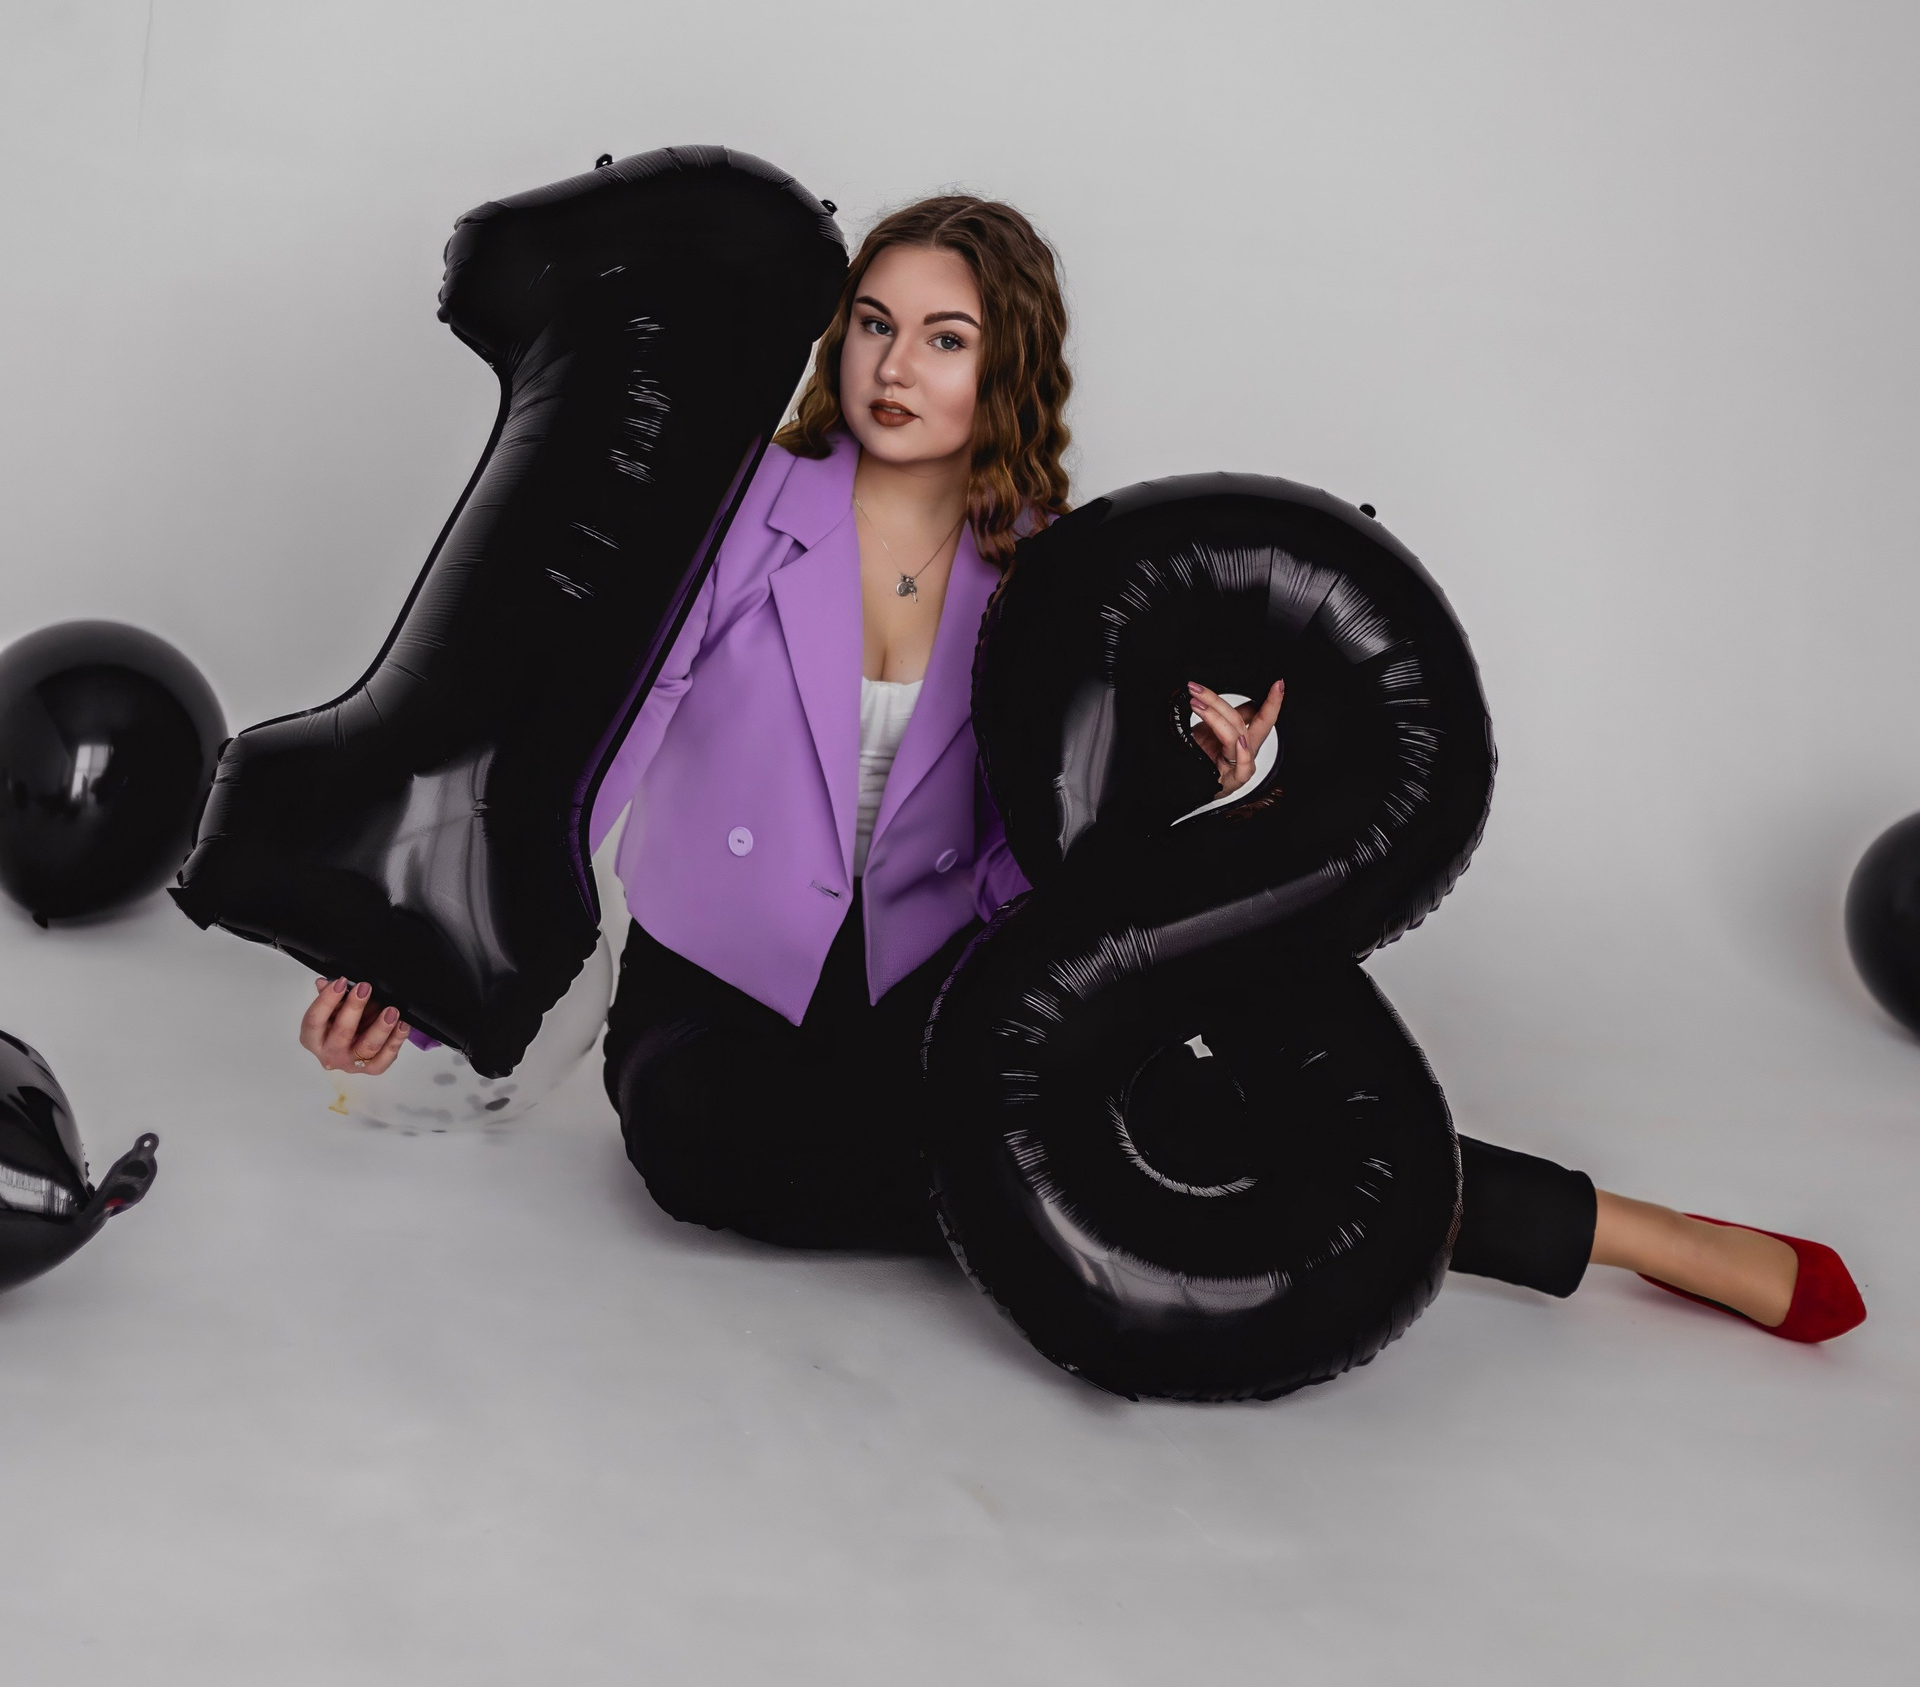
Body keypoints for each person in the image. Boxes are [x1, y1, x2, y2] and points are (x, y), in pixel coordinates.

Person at [300, 195, 1864, 1344]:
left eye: (946, 337)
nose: (896, 365)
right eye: (874, 324)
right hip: (726, 1009)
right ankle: (1079, 1198)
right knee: (716, 1162)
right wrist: (421, 979)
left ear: (1007, 366)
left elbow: (1094, 840)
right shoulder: (739, 515)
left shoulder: (1064, 574)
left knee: (1186, 1118)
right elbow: (579, 754)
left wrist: (1221, 775)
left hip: (944, 993)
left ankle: (1640, 1235)